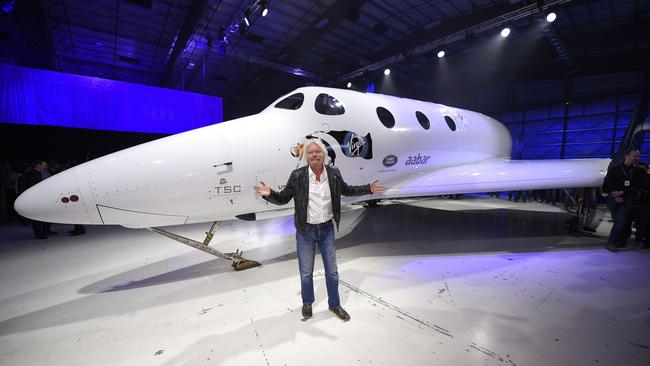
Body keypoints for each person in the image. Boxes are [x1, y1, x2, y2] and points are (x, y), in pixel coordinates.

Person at [254, 139, 385, 321]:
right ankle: (307, 302)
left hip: (326, 230)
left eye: (318, 152)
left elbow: (346, 189)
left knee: (332, 271)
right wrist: (270, 194)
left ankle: (335, 305)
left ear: (324, 154)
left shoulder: (333, 173)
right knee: (306, 272)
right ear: (306, 156)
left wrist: (368, 189)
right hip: (305, 230)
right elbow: (284, 197)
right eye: (310, 152)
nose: (314, 155)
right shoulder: (298, 175)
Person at [602, 148, 641, 251]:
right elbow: (607, 184)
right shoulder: (614, 169)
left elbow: (635, 185)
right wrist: (614, 194)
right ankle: (617, 241)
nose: (636, 158)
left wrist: (621, 193)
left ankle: (612, 243)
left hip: (626, 199)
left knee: (620, 221)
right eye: (634, 156)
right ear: (626, 156)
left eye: (637, 156)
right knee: (618, 221)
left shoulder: (636, 171)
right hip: (613, 198)